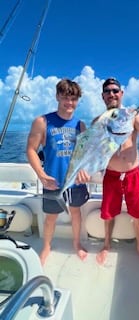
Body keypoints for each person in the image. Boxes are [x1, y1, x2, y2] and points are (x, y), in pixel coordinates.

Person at [96, 78, 139, 266]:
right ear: (102, 96)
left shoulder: (132, 115)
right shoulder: (99, 121)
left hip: (132, 175)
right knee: (108, 214)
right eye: (107, 91)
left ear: (121, 93)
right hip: (111, 175)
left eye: (115, 90)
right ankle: (106, 244)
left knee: (138, 213)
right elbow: (92, 149)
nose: (111, 94)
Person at [26, 79, 90, 265]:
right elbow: (31, 149)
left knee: (76, 213)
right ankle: (46, 246)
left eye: (73, 99)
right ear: (57, 97)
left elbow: (84, 155)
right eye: (65, 98)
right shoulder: (42, 121)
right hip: (52, 181)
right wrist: (41, 174)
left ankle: (77, 243)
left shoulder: (81, 125)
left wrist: (85, 170)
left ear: (78, 100)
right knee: (50, 218)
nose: (69, 103)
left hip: (76, 181)